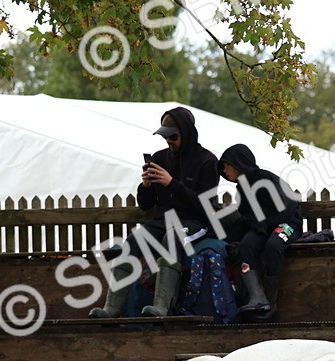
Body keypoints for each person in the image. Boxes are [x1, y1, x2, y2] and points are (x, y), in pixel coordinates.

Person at [90, 107, 220, 318]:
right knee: (133, 240)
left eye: (173, 136)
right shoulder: (160, 158)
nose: (169, 141)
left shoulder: (207, 161)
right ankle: (111, 308)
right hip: (163, 219)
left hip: (194, 221)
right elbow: (145, 204)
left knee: (173, 236)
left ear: (186, 132)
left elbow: (204, 205)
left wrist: (172, 184)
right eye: (165, 136)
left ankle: (161, 307)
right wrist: (147, 186)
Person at [218, 143, 302, 321]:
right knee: (245, 246)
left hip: (288, 224)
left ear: (238, 163)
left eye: (227, 165)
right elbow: (247, 216)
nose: (224, 170)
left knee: (273, 245)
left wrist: (264, 224)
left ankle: (271, 303)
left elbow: (287, 208)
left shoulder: (265, 179)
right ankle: (257, 297)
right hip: (264, 228)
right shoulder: (241, 188)